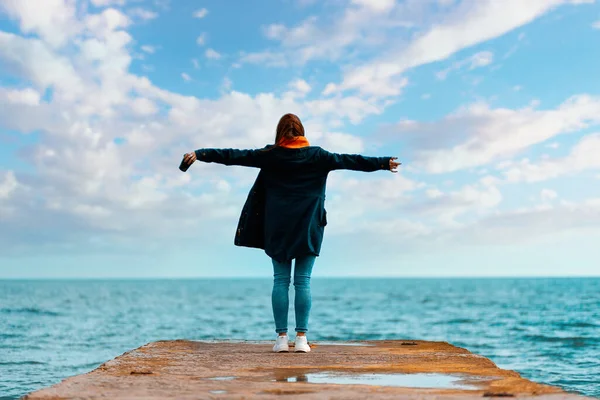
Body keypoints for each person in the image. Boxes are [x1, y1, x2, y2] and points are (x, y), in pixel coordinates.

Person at [182, 113, 400, 353]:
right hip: (308, 226)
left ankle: (281, 340)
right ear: (302, 131)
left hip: (278, 227)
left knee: (281, 281)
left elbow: (234, 155)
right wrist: (383, 162)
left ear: (280, 132)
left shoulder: (271, 155)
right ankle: (302, 340)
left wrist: (201, 154)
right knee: (303, 281)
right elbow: (351, 160)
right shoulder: (319, 156)